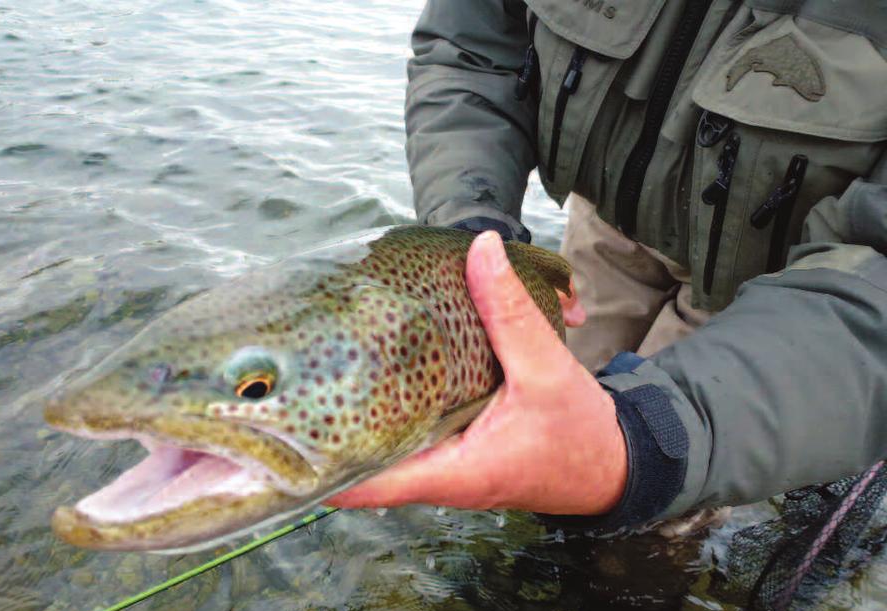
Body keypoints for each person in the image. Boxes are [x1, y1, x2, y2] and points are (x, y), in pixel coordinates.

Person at [329, 0, 887, 534]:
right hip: (607, 223)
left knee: (658, 490)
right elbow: (470, 49)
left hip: (779, 286)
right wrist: (472, 226)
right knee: (543, 441)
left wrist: (644, 446)